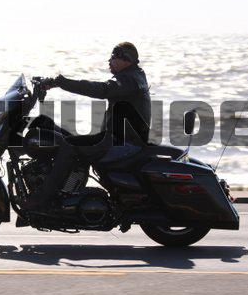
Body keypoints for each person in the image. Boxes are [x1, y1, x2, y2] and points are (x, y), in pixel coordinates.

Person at [24, 41, 152, 212]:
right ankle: (65, 192)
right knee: (53, 128)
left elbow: (102, 89)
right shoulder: (132, 76)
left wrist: (62, 82)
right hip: (118, 138)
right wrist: (51, 84)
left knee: (68, 147)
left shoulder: (129, 80)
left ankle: (43, 200)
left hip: (122, 143)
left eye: (113, 57)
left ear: (126, 60)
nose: (109, 61)